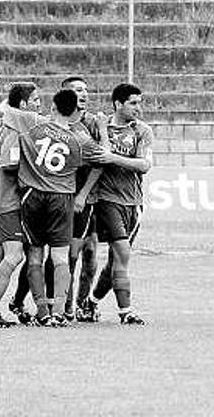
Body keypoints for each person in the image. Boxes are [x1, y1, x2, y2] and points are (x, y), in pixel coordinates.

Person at [3, 89, 106, 325]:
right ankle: (59, 312)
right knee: (60, 257)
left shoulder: (33, 124)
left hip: (32, 196)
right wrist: (102, 130)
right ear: (74, 111)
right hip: (61, 198)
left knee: (35, 256)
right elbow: (103, 157)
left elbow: (5, 110)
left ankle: (42, 313)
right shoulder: (79, 139)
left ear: (53, 107)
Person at [80, 83, 153, 325]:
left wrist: (114, 158)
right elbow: (97, 158)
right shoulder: (99, 127)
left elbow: (144, 165)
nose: (138, 108)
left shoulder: (142, 130)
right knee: (122, 252)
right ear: (118, 104)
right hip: (107, 200)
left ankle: (90, 302)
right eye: (133, 103)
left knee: (115, 262)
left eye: (139, 103)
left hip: (134, 203)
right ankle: (126, 311)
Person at [0, 82, 40, 327]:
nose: (38, 105)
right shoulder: (14, 127)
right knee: (15, 255)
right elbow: (9, 163)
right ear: (23, 104)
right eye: (35, 100)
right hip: (8, 202)